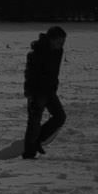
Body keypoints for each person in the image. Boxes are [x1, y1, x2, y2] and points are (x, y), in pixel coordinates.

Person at [21, 26, 66, 159]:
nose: (61, 45)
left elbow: (54, 72)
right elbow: (29, 74)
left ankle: (37, 141)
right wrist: (31, 94)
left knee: (60, 117)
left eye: (63, 42)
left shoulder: (58, 52)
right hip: (36, 91)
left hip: (49, 91)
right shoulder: (37, 53)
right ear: (51, 39)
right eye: (59, 41)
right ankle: (29, 154)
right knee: (34, 122)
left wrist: (53, 86)